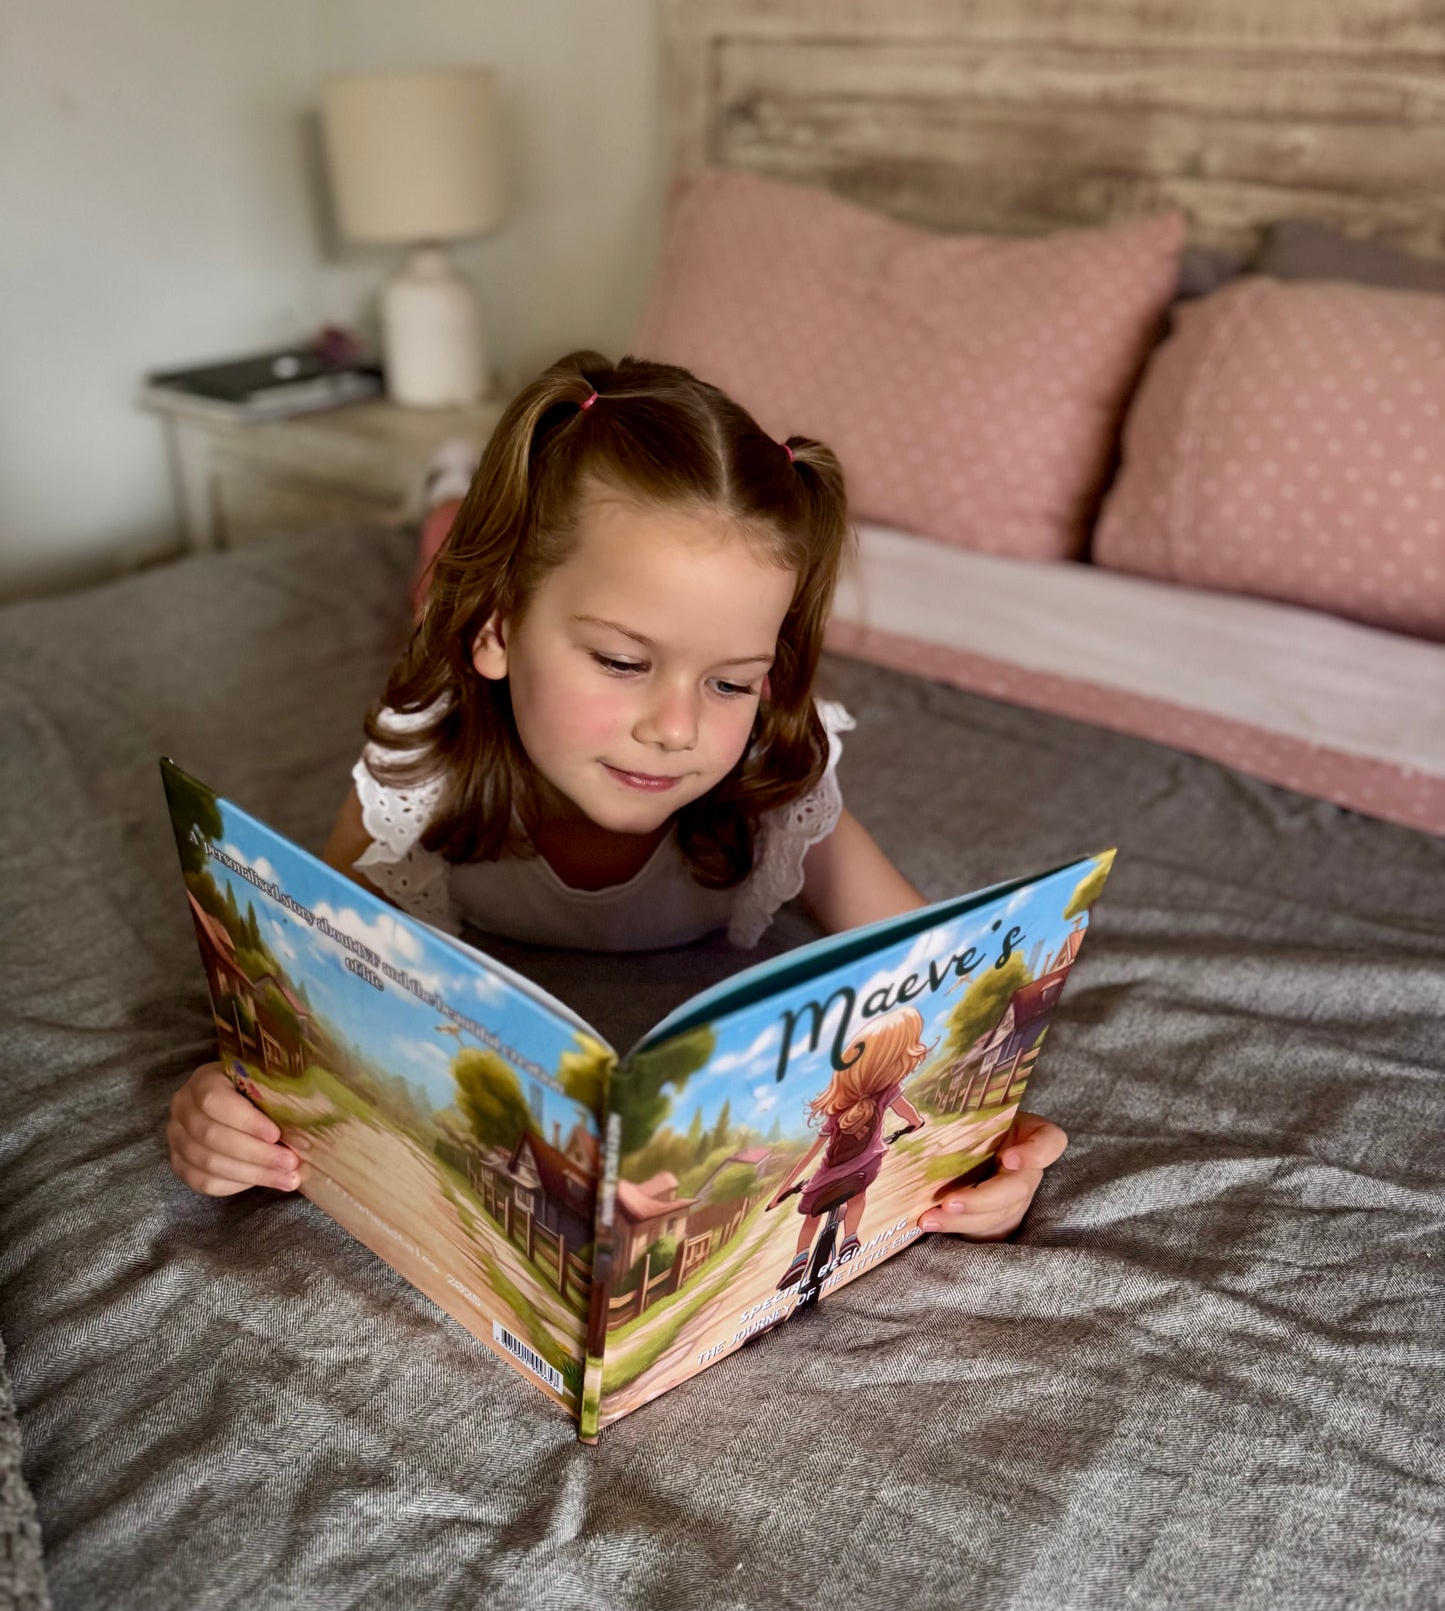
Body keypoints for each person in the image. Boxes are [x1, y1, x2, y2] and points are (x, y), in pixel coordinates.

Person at [165, 351, 1066, 1233]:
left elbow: (941, 978)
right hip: (470, 661)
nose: (675, 728)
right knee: (438, 593)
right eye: (622, 661)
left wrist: (994, 1148)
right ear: (500, 629)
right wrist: (224, 1103)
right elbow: (296, 995)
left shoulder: (775, 777)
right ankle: (446, 529)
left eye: (730, 680)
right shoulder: (420, 764)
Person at [766, 1005, 931, 1288]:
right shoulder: (888, 1091)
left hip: (825, 1181)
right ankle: (850, 1238)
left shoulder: (836, 1110)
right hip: (867, 1169)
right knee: (858, 1196)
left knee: (811, 1218)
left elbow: (809, 1156)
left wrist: (781, 1192)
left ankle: (800, 1259)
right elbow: (909, 1115)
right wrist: (916, 1123)